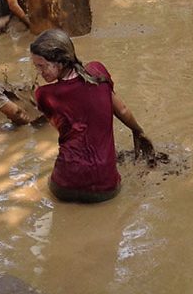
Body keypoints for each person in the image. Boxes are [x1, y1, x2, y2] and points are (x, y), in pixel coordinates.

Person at [31, 29, 154, 203]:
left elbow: (66, 129)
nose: (39, 72)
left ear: (59, 62)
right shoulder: (98, 73)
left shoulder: (44, 95)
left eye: (41, 66)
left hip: (64, 185)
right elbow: (123, 110)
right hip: (106, 188)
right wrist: (138, 132)